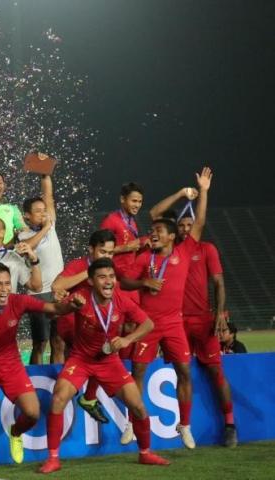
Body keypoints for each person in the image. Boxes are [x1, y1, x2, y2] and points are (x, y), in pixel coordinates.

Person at [0, 262, 83, 479]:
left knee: (32, 413)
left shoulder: (18, 301)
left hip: (11, 362)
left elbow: (55, 309)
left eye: (7, 284)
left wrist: (72, 305)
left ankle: (15, 432)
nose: (4, 289)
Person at [38, 258, 169, 473]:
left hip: (109, 363)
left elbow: (148, 324)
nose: (108, 281)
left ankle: (145, 453)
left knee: (138, 406)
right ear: (90, 281)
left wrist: (127, 340)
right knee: (58, 398)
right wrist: (69, 304)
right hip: (80, 360)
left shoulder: (122, 301)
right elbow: (53, 312)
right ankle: (53, 458)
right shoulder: (81, 299)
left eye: (111, 276)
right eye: (102, 277)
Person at [120, 167, 213, 450]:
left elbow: (198, 223)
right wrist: (142, 282)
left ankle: (184, 425)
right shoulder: (145, 256)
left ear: (172, 236)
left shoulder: (184, 251)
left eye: (159, 231)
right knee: (137, 371)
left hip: (173, 323)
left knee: (184, 371)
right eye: (153, 230)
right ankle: (131, 422)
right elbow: (124, 281)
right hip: (147, 323)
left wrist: (203, 192)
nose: (153, 233)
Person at [149, 188, 238, 446]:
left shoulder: (205, 249)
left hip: (202, 321)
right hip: (175, 322)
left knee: (215, 371)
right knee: (179, 373)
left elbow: (219, 283)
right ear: (176, 230)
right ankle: (178, 426)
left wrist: (220, 313)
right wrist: (179, 194)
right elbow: (155, 214)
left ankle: (230, 424)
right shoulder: (168, 251)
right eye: (182, 225)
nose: (187, 229)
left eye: (190, 224)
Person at [50, 229, 116, 423]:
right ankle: (82, 398)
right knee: (96, 351)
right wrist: (88, 274)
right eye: (103, 252)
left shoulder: (111, 271)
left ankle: (89, 396)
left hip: (94, 328)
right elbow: (57, 286)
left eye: (111, 253)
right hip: (72, 325)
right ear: (91, 250)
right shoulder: (78, 265)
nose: (107, 256)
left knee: (108, 347)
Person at [19, 173, 65, 364]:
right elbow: (29, 246)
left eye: (44, 210)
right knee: (40, 343)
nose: (43, 213)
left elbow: (48, 195)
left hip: (59, 291)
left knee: (59, 341)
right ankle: (36, 380)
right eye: (37, 211)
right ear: (27, 216)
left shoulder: (50, 224)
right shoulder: (22, 236)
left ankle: (57, 379)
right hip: (38, 294)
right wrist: (47, 227)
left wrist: (45, 173)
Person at [100, 182, 147, 304]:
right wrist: (126, 247)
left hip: (129, 279)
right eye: (134, 201)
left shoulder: (132, 221)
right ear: (122, 199)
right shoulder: (111, 220)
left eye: (140, 202)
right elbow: (100, 250)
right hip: (116, 281)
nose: (137, 205)